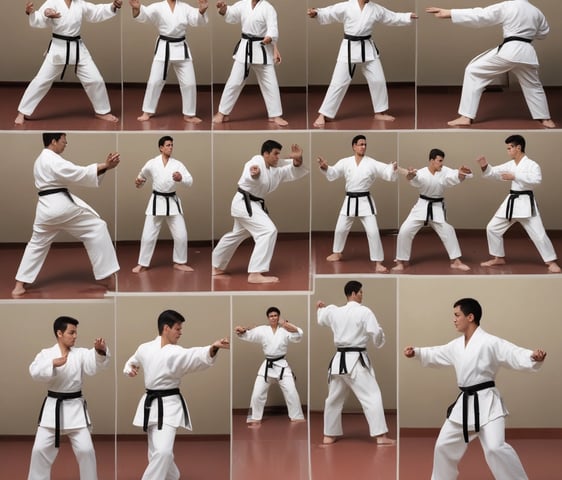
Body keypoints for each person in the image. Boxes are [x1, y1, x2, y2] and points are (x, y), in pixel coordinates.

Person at [403, 297, 547, 479]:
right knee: (442, 446)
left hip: (487, 402)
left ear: (470, 317)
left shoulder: (490, 342)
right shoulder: (456, 345)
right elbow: (437, 353)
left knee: (495, 448)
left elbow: (512, 353)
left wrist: (533, 357)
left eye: (457, 315)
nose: (454, 319)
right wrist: (417, 352)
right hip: (464, 405)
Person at [123, 309, 230, 480]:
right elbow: (131, 362)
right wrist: (130, 369)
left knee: (163, 451)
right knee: (155, 451)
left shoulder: (176, 352)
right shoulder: (144, 348)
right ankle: (173, 476)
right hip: (150, 404)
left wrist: (212, 348)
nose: (181, 332)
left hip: (170, 404)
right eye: (178, 329)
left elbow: (194, 355)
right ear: (166, 328)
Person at [12, 133, 120, 297]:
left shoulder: (39, 160)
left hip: (44, 209)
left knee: (36, 244)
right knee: (97, 227)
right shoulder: (52, 159)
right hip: (60, 206)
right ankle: (109, 278)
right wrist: (105, 165)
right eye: (63, 141)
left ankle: (19, 285)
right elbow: (77, 172)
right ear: (53, 142)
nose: (66, 144)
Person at [426, 3, 556, 129]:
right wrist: (526, 31)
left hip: (509, 51)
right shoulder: (536, 11)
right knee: (533, 86)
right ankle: (546, 119)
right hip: (527, 54)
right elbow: (543, 34)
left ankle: (466, 116)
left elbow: (481, 15)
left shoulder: (508, 6)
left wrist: (450, 13)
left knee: (473, 71)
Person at [307, 1, 417, 127]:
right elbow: (331, 12)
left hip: (367, 48)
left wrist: (407, 16)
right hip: (349, 48)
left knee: (378, 80)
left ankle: (380, 112)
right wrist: (317, 13)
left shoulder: (375, 8)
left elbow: (391, 17)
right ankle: (324, 114)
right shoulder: (347, 6)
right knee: (338, 82)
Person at [212, 140, 308, 284]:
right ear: (265, 154)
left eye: (278, 154)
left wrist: (298, 160)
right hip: (244, 203)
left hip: (252, 204)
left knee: (238, 234)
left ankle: (216, 266)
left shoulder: (275, 168)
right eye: (275, 154)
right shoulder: (256, 161)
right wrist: (254, 175)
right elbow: (251, 174)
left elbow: (291, 170)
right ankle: (255, 273)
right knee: (268, 231)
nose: (277, 157)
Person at [27, 316, 110, 480]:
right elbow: (34, 371)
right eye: (71, 332)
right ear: (59, 333)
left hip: (75, 408)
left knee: (86, 450)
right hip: (53, 409)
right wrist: (52, 364)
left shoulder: (80, 354)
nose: (75, 336)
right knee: (39, 451)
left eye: (75, 333)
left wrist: (100, 351)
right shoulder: (47, 354)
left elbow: (93, 365)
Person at [15, 0, 122, 125]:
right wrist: (33, 12)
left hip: (77, 47)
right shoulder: (53, 2)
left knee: (95, 79)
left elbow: (96, 12)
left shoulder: (80, 4)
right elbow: (40, 17)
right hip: (58, 48)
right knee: (41, 81)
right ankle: (22, 112)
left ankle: (102, 111)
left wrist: (113, 6)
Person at [316, 280, 395, 445]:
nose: (362, 295)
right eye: (360, 292)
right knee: (372, 396)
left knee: (333, 399)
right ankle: (381, 436)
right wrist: (380, 335)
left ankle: (328, 435)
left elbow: (321, 319)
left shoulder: (334, 312)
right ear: (353, 293)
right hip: (355, 362)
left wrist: (320, 308)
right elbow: (376, 334)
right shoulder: (364, 311)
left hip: (338, 362)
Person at [477, 134, 561, 273]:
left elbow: (536, 180)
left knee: (539, 234)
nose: (508, 151)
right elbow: (494, 173)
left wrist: (515, 176)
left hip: (526, 202)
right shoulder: (510, 164)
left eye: (510, 148)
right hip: (511, 201)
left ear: (518, 147)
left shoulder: (532, 165)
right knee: (492, 228)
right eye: (507, 148)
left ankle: (550, 261)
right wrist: (484, 166)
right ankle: (498, 257)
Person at [317, 134, 397, 273]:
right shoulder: (345, 162)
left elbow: (385, 171)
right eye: (360, 144)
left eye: (365, 144)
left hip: (365, 201)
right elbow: (334, 172)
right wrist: (325, 167)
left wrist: (392, 167)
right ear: (354, 146)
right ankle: (337, 252)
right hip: (349, 200)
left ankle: (378, 262)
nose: (363, 147)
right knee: (341, 228)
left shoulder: (371, 162)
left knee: (373, 232)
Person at [129, 0, 208, 123]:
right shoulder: (158, 7)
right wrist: (136, 9)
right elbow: (143, 15)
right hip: (164, 48)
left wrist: (201, 10)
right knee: (154, 81)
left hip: (181, 47)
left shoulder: (185, 7)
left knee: (189, 83)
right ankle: (147, 111)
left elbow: (196, 19)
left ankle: (189, 114)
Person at [392, 148, 472, 272]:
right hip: (422, 205)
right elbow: (413, 179)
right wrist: (410, 176)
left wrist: (462, 173)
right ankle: (400, 261)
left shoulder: (445, 171)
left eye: (442, 161)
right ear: (431, 160)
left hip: (437, 207)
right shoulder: (421, 172)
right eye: (439, 161)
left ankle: (455, 261)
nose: (441, 163)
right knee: (405, 230)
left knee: (448, 231)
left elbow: (457, 176)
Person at [212, 0, 287, 126]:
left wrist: (270, 40)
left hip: (262, 47)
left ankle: (275, 115)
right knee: (234, 81)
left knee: (270, 83)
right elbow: (230, 14)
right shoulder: (243, 4)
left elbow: (273, 28)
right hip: (245, 47)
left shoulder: (268, 8)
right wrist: (223, 9)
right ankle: (222, 112)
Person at [132, 135, 194, 273]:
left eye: (172, 145)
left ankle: (179, 262)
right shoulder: (152, 163)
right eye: (168, 145)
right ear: (161, 148)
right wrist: (138, 182)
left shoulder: (177, 164)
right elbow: (141, 177)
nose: (171, 147)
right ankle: (143, 264)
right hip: (156, 202)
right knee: (148, 235)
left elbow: (189, 181)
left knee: (181, 235)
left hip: (172, 202)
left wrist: (181, 178)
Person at [235, 306, 305, 425]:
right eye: (271, 316)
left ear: (279, 317)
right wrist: (242, 330)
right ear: (268, 318)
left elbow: (299, 334)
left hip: (282, 365)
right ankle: (255, 418)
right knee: (257, 393)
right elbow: (247, 334)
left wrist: (286, 324)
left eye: (275, 316)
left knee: (291, 392)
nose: (273, 318)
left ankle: (296, 416)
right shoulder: (262, 330)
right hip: (267, 365)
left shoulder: (285, 330)